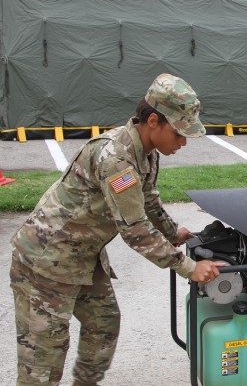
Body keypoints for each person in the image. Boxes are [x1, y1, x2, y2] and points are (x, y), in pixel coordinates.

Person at [10, 73, 224, 386]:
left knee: (103, 326)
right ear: (154, 121)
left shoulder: (146, 153)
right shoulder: (116, 159)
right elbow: (134, 229)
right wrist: (188, 267)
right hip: (44, 263)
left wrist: (172, 232)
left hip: (83, 257)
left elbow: (148, 200)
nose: (183, 142)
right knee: (43, 358)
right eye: (179, 132)